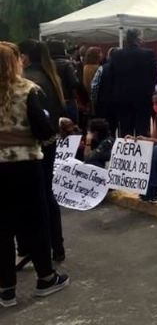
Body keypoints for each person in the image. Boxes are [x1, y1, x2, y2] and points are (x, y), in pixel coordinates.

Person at [0, 42, 69, 308]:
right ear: (14, 62)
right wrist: (54, 127)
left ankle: (6, 288)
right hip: (25, 165)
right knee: (35, 221)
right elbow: (42, 129)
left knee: (2, 228)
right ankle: (46, 278)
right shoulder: (27, 90)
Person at [17, 40, 67, 264]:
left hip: (33, 145)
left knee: (32, 199)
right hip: (49, 141)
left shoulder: (27, 82)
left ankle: (33, 248)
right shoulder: (50, 77)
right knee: (47, 195)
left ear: (25, 57)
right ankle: (57, 246)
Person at [108, 29, 157, 137]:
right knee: (142, 129)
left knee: (125, 130)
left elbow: (111, 76)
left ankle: (126, 147)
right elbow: (155, 74)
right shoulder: (148, 54)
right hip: (143, 97)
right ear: (138, 38)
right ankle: (142, 147)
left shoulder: (116, 54)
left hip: (122, 97)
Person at [46, 40, 81, 123]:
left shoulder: (46, 65)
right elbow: (74, 83)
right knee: (71, 126)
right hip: (68, 100)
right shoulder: (67, 64)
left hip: (52, 101)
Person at [91, 47, 117, 131]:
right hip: (119, 102)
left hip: (103, 102)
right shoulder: (123, 68)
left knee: (104, 127)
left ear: (109, 56)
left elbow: (94, 86)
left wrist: (94, 100)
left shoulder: (102, 68)